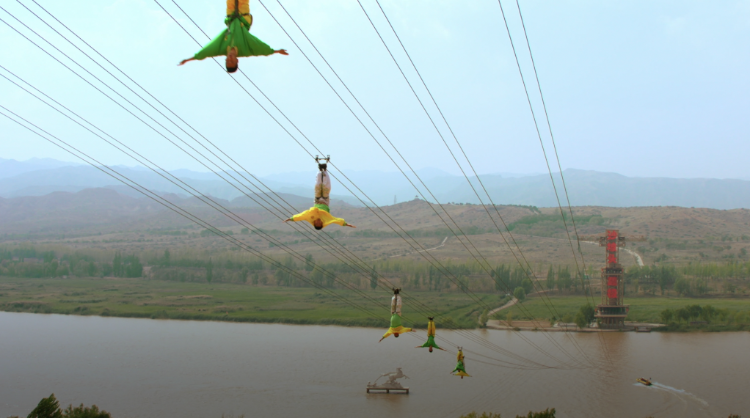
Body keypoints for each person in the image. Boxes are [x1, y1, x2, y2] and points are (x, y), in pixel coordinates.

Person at [179, 0, 288, 72]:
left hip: (231, 15)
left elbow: (206, 52)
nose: (229, 59)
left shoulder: (221, 49)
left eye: (227, 61)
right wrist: (276, 51)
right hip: (243, 16)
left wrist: (188, 60)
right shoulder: (245, 50)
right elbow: (259, 49)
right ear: (237, 61)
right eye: (232, 61)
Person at [284, 160, 355, 230]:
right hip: (325, 202)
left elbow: (301, 216)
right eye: (319, 223)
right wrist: (346, 224)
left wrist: (291, 219)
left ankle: (320, 171)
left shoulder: (309, 217)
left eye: (316, 223)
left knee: (317, 186)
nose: (318, 222)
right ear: (322, 224)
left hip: (317, 201)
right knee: (326, 187)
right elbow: (336, 220)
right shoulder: (327, 220)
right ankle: (325, 171)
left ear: (314, 223)